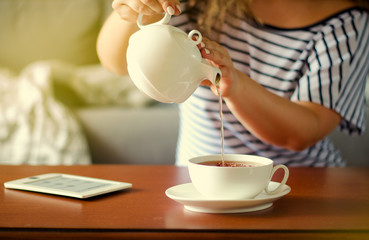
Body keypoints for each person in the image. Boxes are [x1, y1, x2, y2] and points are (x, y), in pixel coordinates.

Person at [97, 0, 369, 167]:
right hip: (201, 184)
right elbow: (116, 63)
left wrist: (235, 85)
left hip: (297, 187)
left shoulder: (347, 24)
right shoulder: (197, 4)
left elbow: (304, 131)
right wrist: (132, 13)